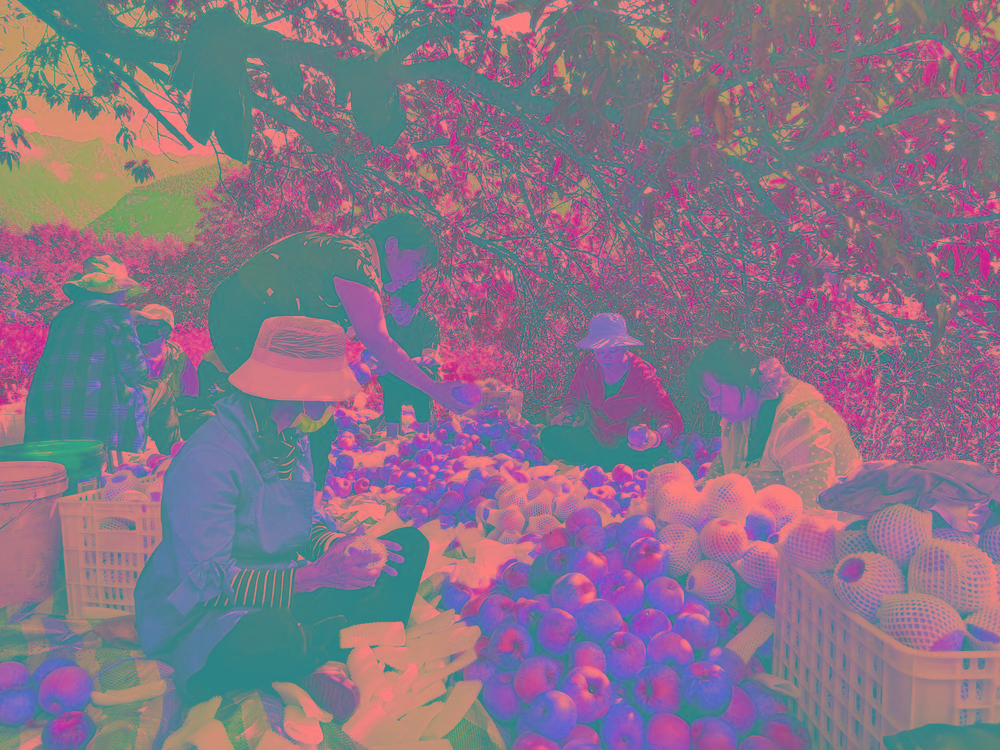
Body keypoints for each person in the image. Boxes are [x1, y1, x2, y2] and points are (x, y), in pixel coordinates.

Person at [134, 317, 430, 701]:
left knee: (406, 547)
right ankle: (323, 649)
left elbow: (299, 519)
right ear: (296, 390)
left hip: (284, 585)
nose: (334, 401)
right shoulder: (210, 458)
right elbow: (206, 584)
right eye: (327, 390)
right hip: (211, 615)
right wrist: (314, 577)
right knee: (274, 635)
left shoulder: (290, 435)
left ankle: (323, 647)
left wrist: (337, 545)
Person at [208, 213, 479, 488]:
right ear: (392, 245)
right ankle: (270, 493)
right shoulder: (356, 263)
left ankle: (296, 494)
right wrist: (434, 389)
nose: (413, 277)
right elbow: (377, 339)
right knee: (286, 425)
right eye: (416, 263)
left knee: (308, 426)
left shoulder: (353, 254)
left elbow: (361, 337)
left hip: (251, 322)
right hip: (245, 322)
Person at [685, 337, 863, 508]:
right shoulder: (738, 421)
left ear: (742, 381)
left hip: (835, 526)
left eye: (716, 396)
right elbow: (718, 477)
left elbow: (814, 510)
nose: (712, 407)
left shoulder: (802, 423)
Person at [24, 255, 150, 459]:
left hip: (51, 411)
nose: (126, 294)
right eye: (124, 289)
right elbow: (136, 370)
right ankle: (157, 461)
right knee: (156, 392)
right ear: (115, 289)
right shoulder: (115, 313)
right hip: (96, 411)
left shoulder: (61, 316)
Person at [540, 313, 685, 472]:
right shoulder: (588, 366)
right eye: (600, 352)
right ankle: (609, 465)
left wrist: (654, 437)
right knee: (549, 435)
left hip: (628, 445)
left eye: (613, 351)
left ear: (624, 347)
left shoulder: (643, 376)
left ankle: (601, 465)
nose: (606, 357)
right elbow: (575, 399)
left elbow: (671, 417)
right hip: (594, 438)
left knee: (654, 451)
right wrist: (569, 414)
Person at [366, 279, 441, 439]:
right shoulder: (386, 321)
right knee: (390, 381)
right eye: (392, 308)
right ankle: (391, 436)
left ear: (415, 307)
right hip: (394, 374)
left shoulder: (427, 320)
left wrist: (405, 365)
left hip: (420, 372)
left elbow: (429, 357)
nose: (396, 313)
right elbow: (376, 351)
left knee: (421, 377)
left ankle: (423, 434)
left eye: (401, 309)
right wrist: (373, 363)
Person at [132, 304, 199, 454]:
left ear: (164, 329)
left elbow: (190, 400)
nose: (141, 327)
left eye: (148, 323)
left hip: (172, 420)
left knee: (207, 417)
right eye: (140, 323)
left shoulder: (179, 359)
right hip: (139, 420)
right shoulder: (130, 357)